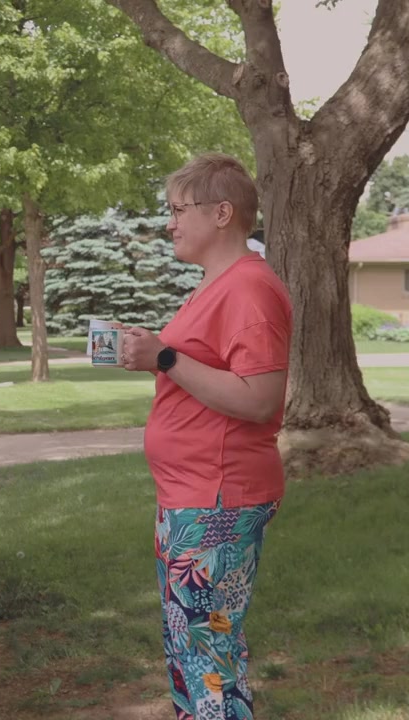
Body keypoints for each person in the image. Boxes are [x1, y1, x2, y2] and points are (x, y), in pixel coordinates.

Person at [120, 152, 292, 720]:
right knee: (189, 648)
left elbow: (259, 398)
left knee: (208, 653)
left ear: (222, 213)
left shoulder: (249, 288)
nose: (169, 223)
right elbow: (204, 372)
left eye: (178, 210)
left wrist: (166, 357)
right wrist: (154, 354)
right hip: (190, 496)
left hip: (218, 499)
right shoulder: (217, 285)